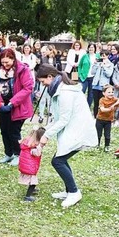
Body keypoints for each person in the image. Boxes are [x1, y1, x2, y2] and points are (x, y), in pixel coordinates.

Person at [36, 64, 97, 208]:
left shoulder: (65, 93)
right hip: (72, 130)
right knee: (61, 159)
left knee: (58, 161)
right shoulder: (60, 89)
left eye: (42, 81)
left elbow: (63, 119)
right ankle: (70, 190)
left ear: (50, 77)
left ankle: (74, 192)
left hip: (78, 131)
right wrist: (45, 129)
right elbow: (58, 118)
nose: (42, 84)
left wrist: (46, 137)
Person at [0, 48, 35, 166]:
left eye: (7, 62)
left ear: (13, 59)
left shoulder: (23, 70)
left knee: (14, 132)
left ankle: (18, 154)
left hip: (18, 106)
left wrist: (13, 102)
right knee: (4, 130)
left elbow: (28, 88)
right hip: (3, 105)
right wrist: (0, 102)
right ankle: (9, 153)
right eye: (2, 63)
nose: (5, 65)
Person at [18, 126, 45, 202]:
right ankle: (28, 196)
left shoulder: (27, 143)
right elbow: (37, 154)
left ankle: (31, 191)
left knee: (31, 180)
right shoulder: (33, 146)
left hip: (25, 166)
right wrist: (40, 147)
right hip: (30, 167)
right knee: (33, 182)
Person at [89, 50, 115, 117]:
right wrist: (95, 64)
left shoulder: (110, 64)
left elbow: (109, 74)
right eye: (101, 55)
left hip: (104, 86)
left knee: (103, 102)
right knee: (95, 103)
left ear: (107, 56)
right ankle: (95, 116)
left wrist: (104, 66)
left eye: (104, 56)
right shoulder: (98, 63)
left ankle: (101, 116)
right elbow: (92, 72)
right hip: (95, 84)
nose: (103, 57)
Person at [96, 85, 118, 151]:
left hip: (108, 121)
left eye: (112, 92)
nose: (111, 93)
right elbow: (102, 109)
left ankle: (107, 146)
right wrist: (111, 109)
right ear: (104, 93)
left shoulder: (114, 99)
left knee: (107, 134)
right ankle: (97, 145)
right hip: (100, 119)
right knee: (98, 134)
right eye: (109, 92)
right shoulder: (102, 100)